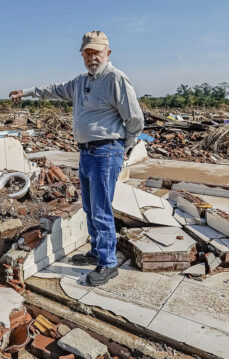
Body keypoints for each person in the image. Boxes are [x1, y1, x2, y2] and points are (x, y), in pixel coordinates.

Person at [9, 30, 144, 285]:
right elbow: (53, 90)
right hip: (86, 152)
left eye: (96, 52)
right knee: (90, 207)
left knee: (102, 209)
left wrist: (124, 147)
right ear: (82, 55)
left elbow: (135, 118)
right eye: (87, 53)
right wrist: (25, 92)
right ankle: (96, 251)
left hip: (106, 151)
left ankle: (108, 263)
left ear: (108, 53)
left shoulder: (116, 79)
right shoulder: (82, 82)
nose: (92, 57)